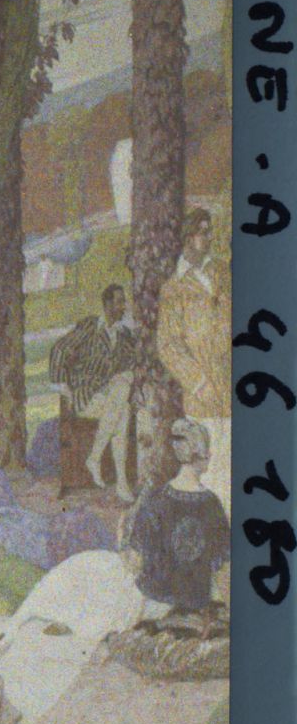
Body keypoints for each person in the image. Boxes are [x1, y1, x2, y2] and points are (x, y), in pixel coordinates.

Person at [156, 208, 231, 518]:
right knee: (210, 470)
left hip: (236, 388)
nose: (210, 237)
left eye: (210, 230)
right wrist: (200, 384)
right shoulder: (173, 289)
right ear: (188, 238)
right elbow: (169, 346)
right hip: (203, 398)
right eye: (203, 231)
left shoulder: (224, 272)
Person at [123, 418, 230, 630]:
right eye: (207, 450)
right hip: (195, 603)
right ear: (200, 454)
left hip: (154, 603)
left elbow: (136, 561)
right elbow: (222, 568)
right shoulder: (212, 505)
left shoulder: (155, 500)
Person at [48, 282, 141, 500]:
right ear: (108, 304)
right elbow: (60, 349)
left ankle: (99, 461)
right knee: (122, 408)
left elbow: (133, 364)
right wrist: (64, 388)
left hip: (108, 399)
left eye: (124, 302)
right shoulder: (91, 327)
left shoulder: (124, 337)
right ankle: (120, 481)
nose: (124, 307)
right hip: (85, 396)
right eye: (120, 302)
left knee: (124, 400)